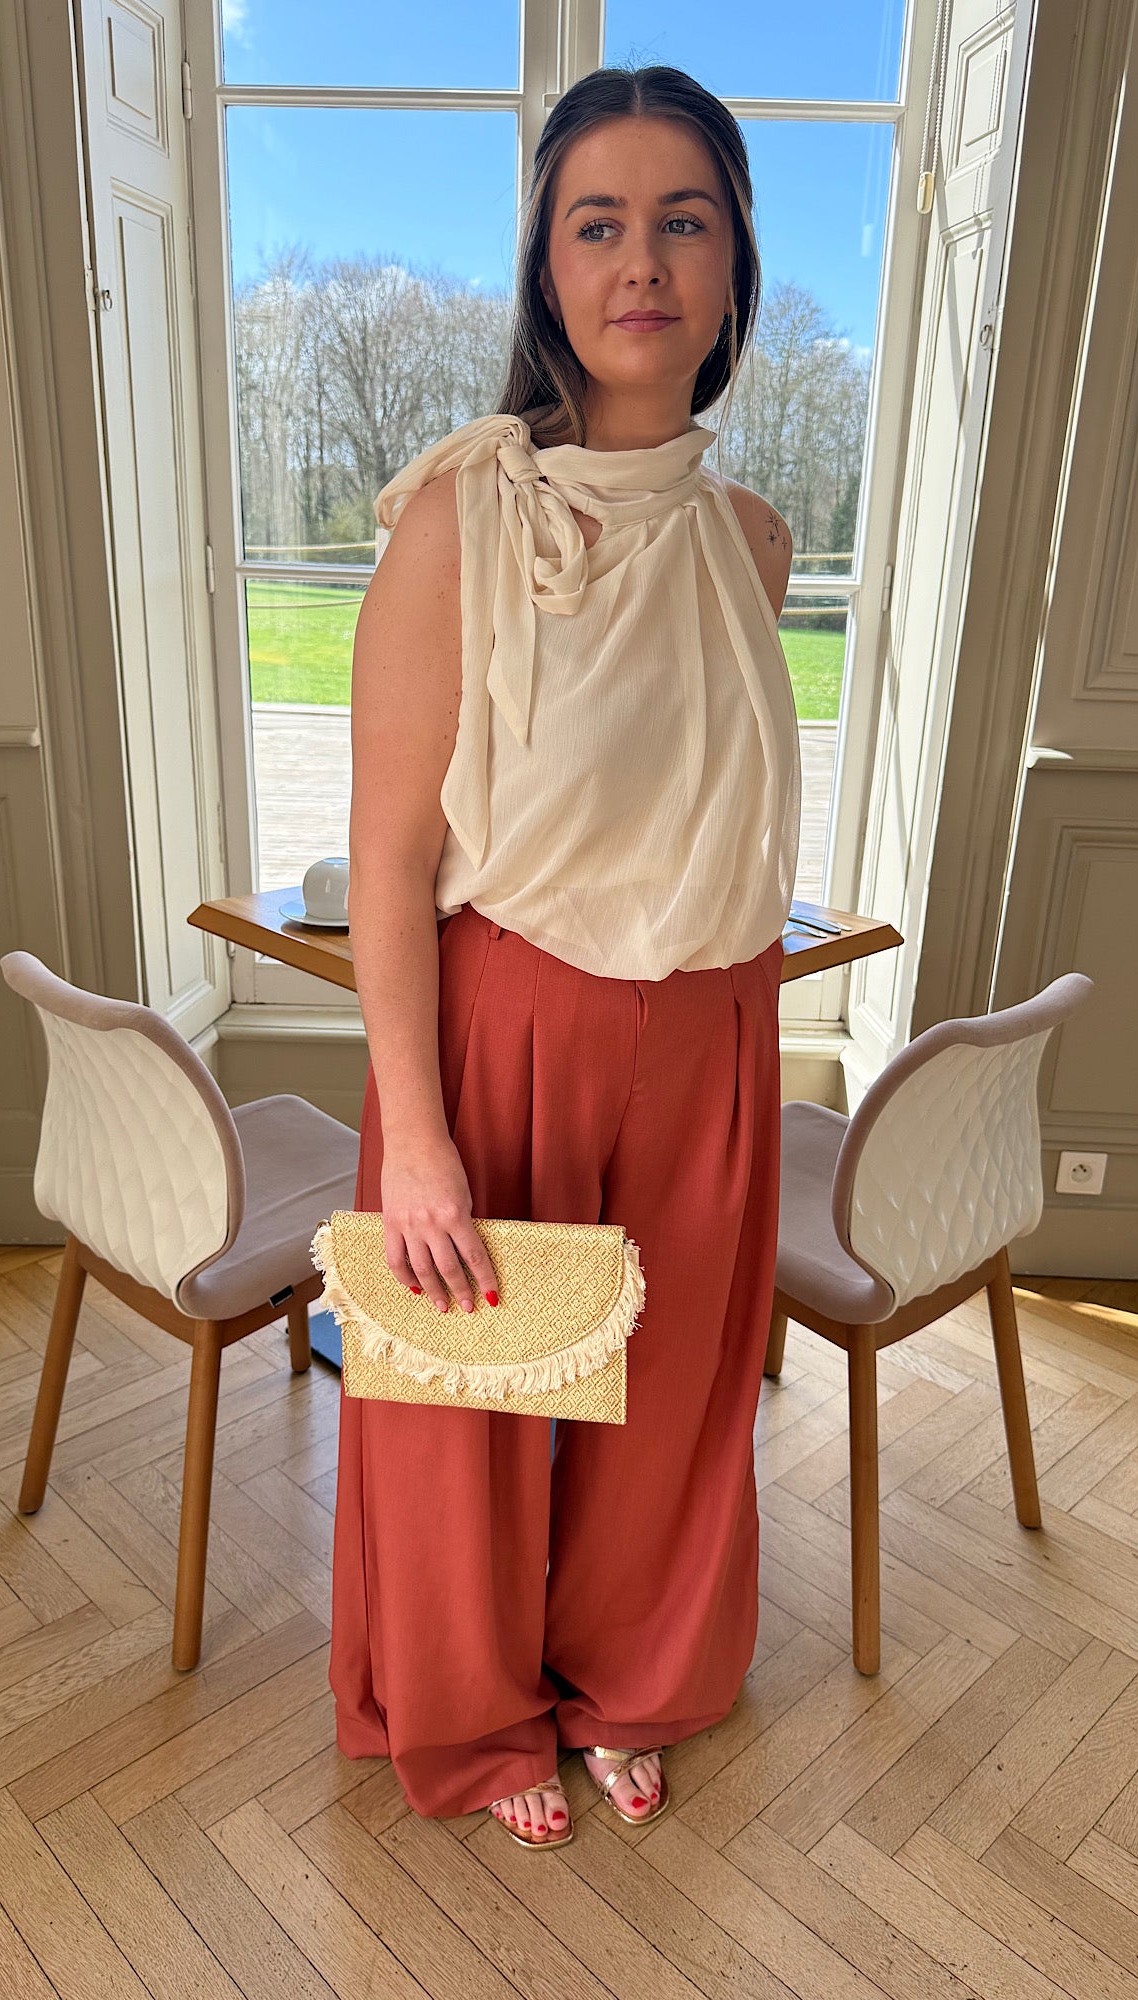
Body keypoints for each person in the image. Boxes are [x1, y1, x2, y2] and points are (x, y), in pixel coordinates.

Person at [330, 62, 802, 1848]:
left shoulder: (753, 541)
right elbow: (392, 861)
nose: (643, 263)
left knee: (668, 1404)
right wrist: (418, 1133)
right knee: (465, 1404)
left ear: (736, 264)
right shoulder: (463, 517)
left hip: (714, 1027)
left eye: (685, 221)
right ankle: (470, 1712)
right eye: (598, 224)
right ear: (546, 266)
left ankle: (631, 1678)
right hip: (504, 1020)